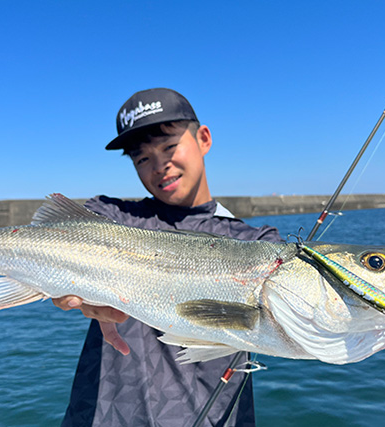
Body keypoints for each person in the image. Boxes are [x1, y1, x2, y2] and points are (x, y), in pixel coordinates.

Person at [53, 88, 283, 426]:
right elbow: (50, 248)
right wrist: (66, 290)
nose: (160, 166)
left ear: (203, 138)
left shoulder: (258, 245)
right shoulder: (112, 219)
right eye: (142, 158)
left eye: (169, 146)